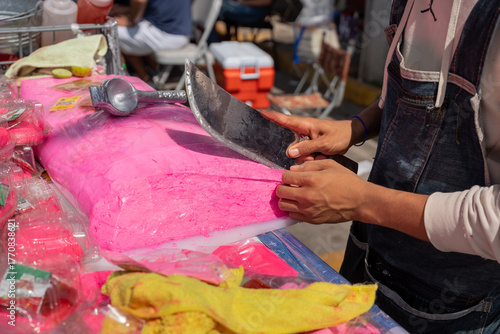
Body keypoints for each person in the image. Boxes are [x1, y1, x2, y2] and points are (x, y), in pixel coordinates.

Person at [261, 0, 500, 332]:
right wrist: (356, 127)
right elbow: (412, 90)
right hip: (369, 249)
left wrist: (362, 201)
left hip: (448, 301)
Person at [111, 0, 191, 84]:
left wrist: (130, 21)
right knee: (128, 35)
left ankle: (145, 82)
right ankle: (152, 74)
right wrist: (126, 10)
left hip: (168, 34)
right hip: (180, 30)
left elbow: (139, 1)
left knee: (112, 31)